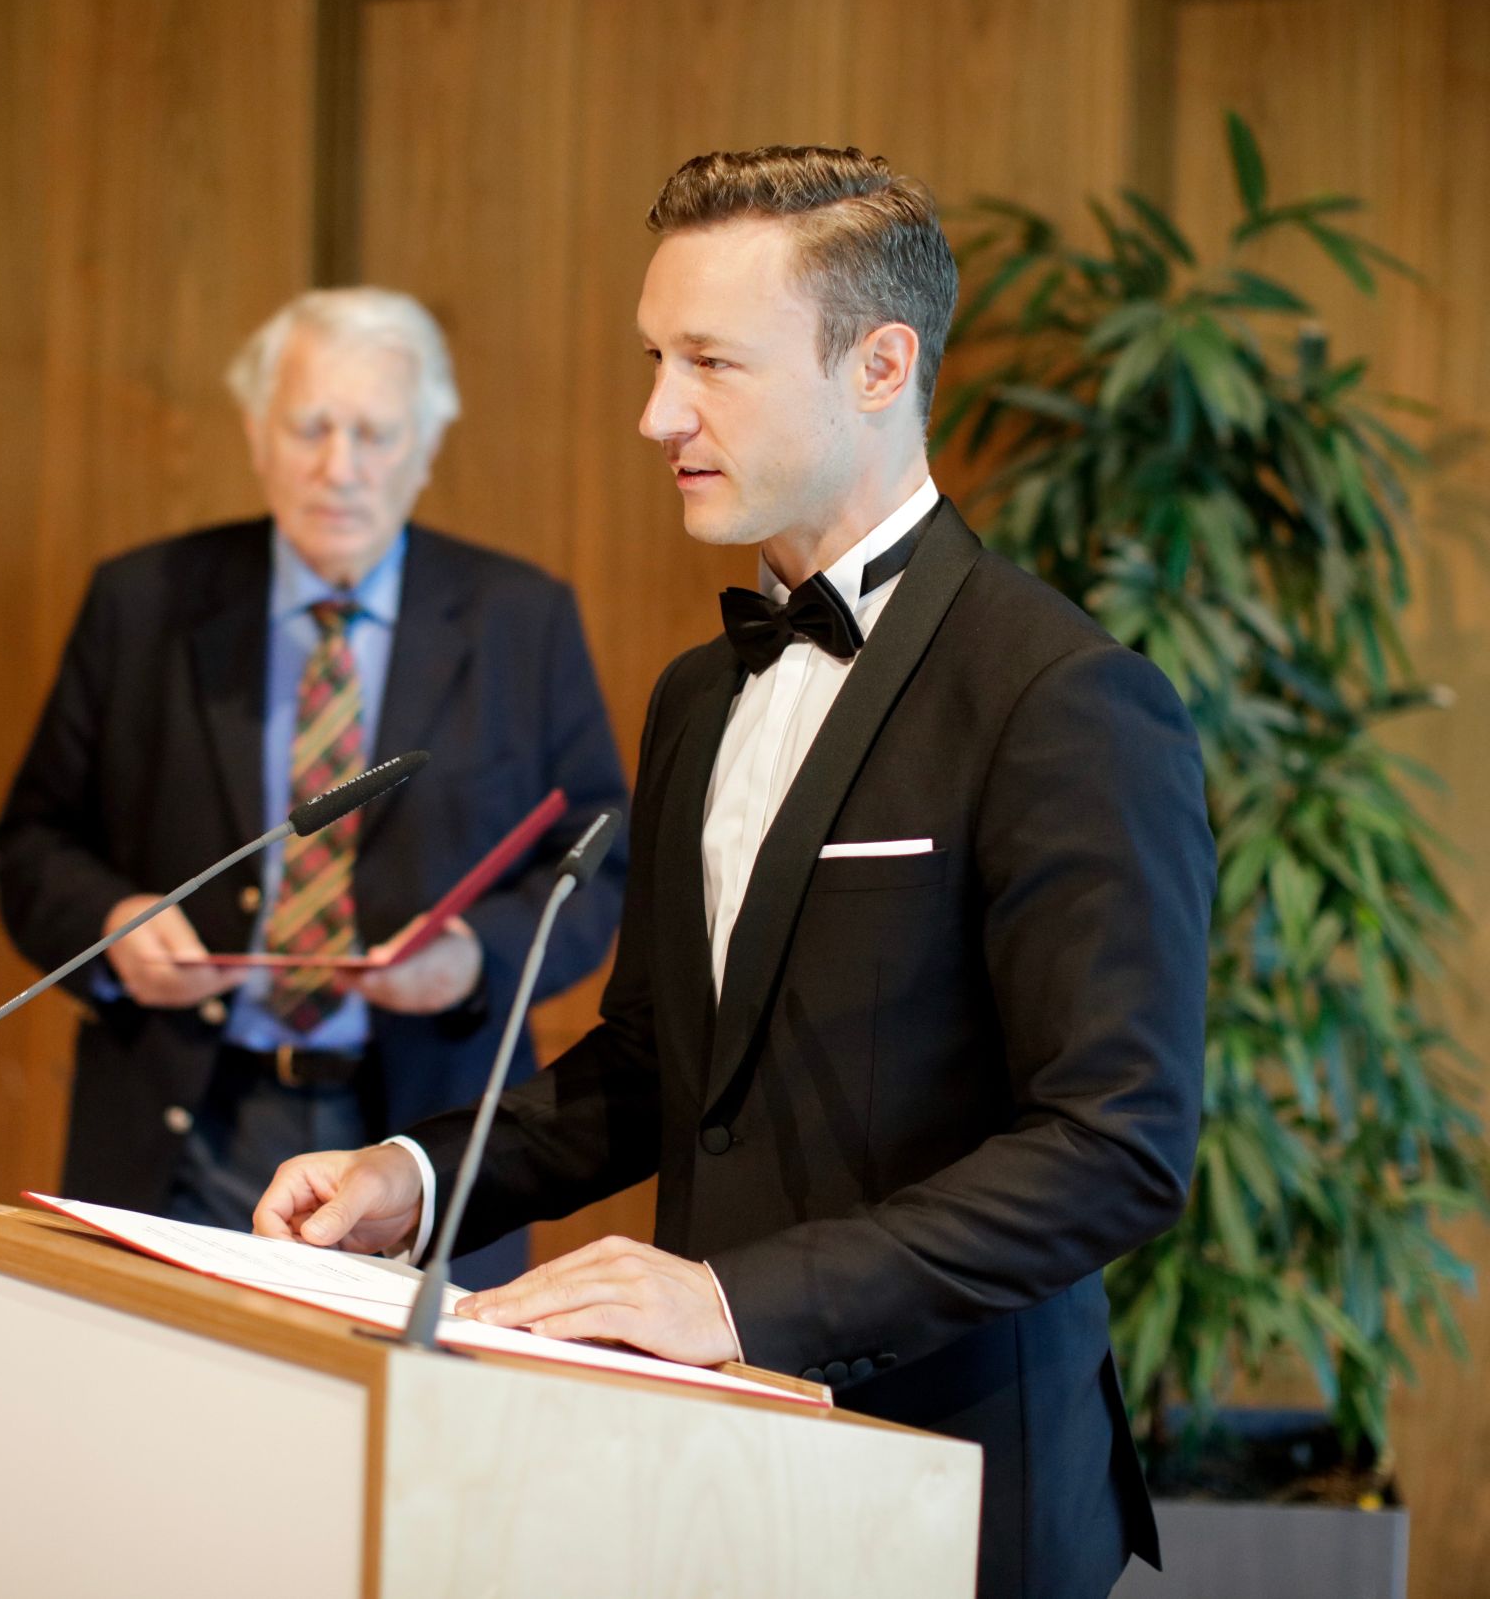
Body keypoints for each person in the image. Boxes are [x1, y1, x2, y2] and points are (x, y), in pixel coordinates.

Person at [253, 151, 1214, 1597]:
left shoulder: (1063, 696)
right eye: (656, 357)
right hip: (699, 1480)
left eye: (710, 360)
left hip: (950, 1489)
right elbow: (654, 1065)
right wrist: (413, 1171)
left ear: (880, 363)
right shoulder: (697, 693)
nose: (657, 411)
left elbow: (1117, 1144)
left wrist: (731, 1296)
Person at [0, 287, 627, 1288]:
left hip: (431, 1133)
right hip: (183, 1124)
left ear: (425, 447)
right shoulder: (142, 601)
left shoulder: (520, 618)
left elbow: (600, 858)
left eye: (375, 433)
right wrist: (114, 922)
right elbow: (32, 841)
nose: (340, 468)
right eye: (309, 427)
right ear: (255, 432)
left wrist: (475, 957)